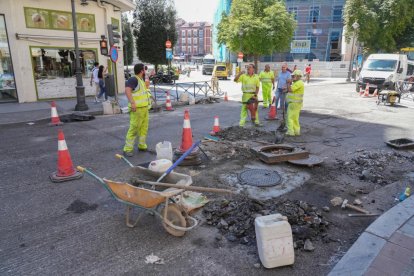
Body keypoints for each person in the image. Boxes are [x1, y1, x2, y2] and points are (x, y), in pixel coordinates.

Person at [123, 63, 153, 157]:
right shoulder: (134, 79)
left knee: (144, 128)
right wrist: (132, 103)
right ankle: (127, 149)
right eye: (145, 69)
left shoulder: (140, 80)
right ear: (141, 71)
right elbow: (127, 90)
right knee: (134, 129)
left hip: (144, 109)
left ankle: (142, 145)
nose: (146, 71)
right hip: (137, 109)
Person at [286, 70, 305, 136]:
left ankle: (290, 132)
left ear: (297, 76)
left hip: (294, 103)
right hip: (296, 104)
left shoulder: (298, 83)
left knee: (290, 118)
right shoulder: (298, 83)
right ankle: (296, 131)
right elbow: (292, 90)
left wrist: (288, 83)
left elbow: (290, 90)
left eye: (293, 76)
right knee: (295, 118)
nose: (292, 77)